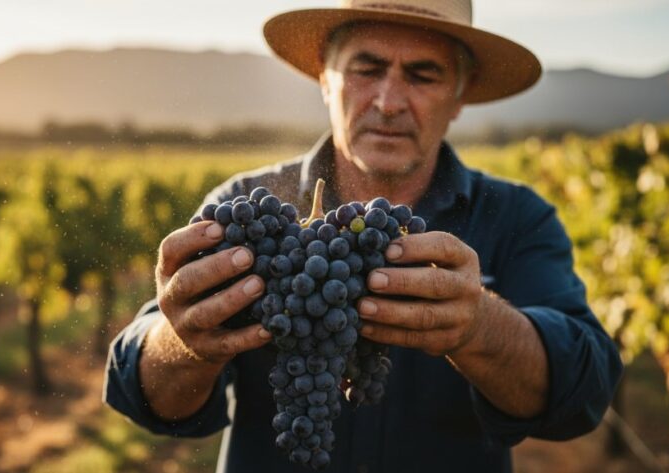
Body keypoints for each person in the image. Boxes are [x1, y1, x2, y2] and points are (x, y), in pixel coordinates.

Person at [103, 1, 623, 471]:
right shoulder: (246, 209)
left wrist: (481, 326)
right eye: (366, 68)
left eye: (424, 75)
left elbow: (585, 394)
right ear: (325, 80)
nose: (389, 101)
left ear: (460, 97)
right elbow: (138, 392)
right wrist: (182, 340)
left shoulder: (517, 217)